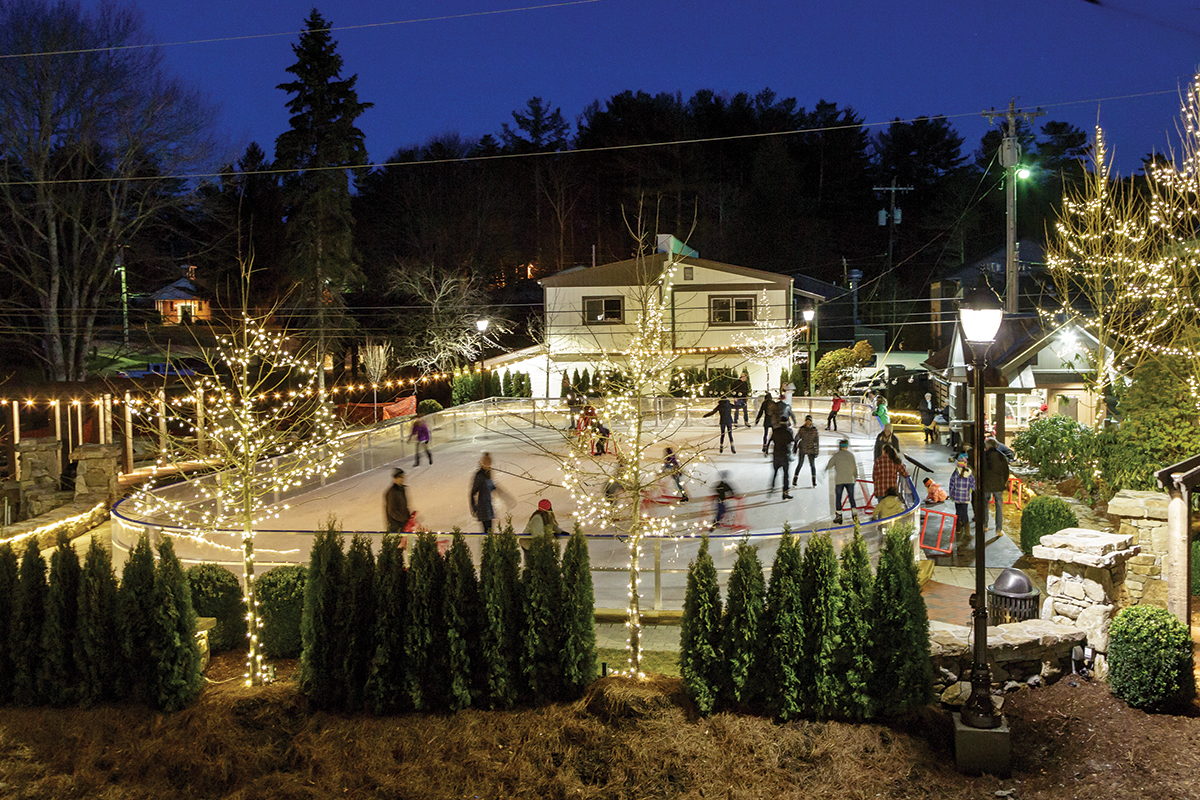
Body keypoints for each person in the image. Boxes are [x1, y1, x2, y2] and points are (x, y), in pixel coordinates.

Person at [469, 452, 510, 534]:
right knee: (487, 531)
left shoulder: (487, 474)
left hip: (488, 506)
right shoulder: (479, 476)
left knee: (489, 530)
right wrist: (474, 507)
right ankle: (487, 545)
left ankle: (488, 544)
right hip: (483, 508)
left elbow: (492, 487)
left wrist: (505, 496)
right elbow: (473, 492)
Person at [982, 437, 1011, 533]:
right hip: (998, 485)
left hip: (986, 485)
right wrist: (1003, 482)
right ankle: (999, 529)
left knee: (985, 505)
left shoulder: (984, 456)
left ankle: (984, 525)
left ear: (988, 446)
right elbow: (1006, 471)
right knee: (999, 506)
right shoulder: (1001, 456)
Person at [826, 438, 859, 524]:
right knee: (851, 497)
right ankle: (854, 515)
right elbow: (854, 467)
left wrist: (825, 469)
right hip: (850, 479)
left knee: (838, 498)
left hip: (839, 480)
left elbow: (830, 464)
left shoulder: (836, 455)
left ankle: (839, 516)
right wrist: (855, 476)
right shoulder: (851, 455)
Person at [948, 453, 975, 534]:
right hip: (965, 497)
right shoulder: (969, 473)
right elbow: (973, 484)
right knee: (965, 512)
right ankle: (967, 527)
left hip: (957, 497)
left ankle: (958, 527)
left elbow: (951, 485)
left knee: (958, 512)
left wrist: (951, 494)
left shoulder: (955, 473)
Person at [792, 414, 820, 487]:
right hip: (803, 448)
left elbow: (816, 441)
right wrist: (795, 447)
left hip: (811, 449)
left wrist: (816, 450)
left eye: (809, 421)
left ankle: (814, 481)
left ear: (811, 422)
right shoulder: (802, 429)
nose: (808, 423)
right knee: (800, 464)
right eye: (806, 421)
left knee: (812, 465)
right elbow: (797, 438)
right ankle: (795, 479)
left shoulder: (814, 430)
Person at [769, 422, 794, 499]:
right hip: (784, 455)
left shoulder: (776, 431)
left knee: (775, 472)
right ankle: (785, 492)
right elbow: (792, 441)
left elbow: (770, 440)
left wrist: (766, 450)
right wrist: (794, 449)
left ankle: (772, 487)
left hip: (776, 455)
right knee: (785, 475)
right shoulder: (788, 432)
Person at [384, 468, 411, 533]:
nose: (403, 479)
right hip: (395, 527)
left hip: (403, 524)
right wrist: (403, 519)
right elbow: (391, 511)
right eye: (401, 477)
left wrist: (409, 516)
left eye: (403, 477)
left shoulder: (402, 489)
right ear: (396, 478)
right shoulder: (392, 492)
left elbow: (404, 506)